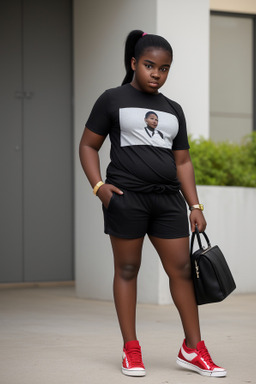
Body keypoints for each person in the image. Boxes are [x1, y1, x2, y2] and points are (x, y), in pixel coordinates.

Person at [79, 30, 226, 378]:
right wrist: (99, 187)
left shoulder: (173, 110)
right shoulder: (112, 99)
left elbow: (183, 163)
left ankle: (193, 348)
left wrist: (195, 206)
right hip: (126, 199)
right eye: (149, 65)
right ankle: (131, 350)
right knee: (127, 271)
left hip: (168, 202)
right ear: (134, 63)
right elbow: (87, 146)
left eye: (164, 68)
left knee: (183, 273)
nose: (156, 73)